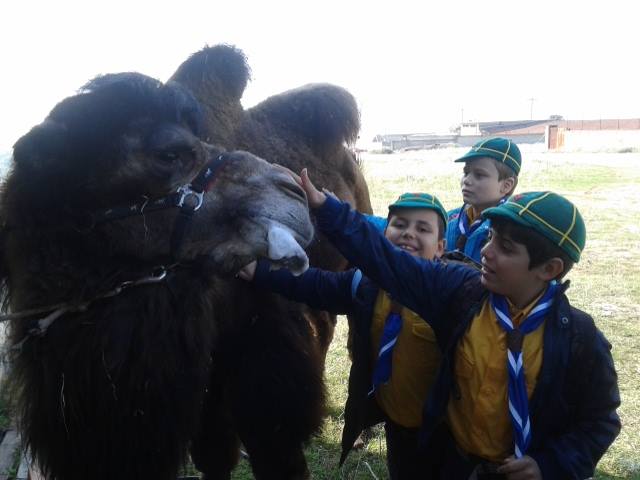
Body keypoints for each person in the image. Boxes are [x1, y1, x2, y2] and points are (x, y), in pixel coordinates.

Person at [283, 169, 621, 480]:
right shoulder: (463, 292)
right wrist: (326, 207)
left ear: (549, 269)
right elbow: (387, 261)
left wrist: (550, 464)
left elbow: (600, 419)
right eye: (490, 238)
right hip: (454, 463)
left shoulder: (579, 339)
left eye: (505, 248)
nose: (486, 252)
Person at [240, 192, 449, 479]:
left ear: (440, 247)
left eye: (422, 228)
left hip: (443, 431)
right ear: (383, 235)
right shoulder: (366, 284)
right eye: (400, 225)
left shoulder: (449, 295)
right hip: (398, 423)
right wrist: (260, 272)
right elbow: (316, 284)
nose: (409, 234)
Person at [445, 137, 521, 263]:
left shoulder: (511, 229)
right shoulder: (448, 219)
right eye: (466, 173)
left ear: (506, 185)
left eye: (479, 175)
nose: (467, 180)